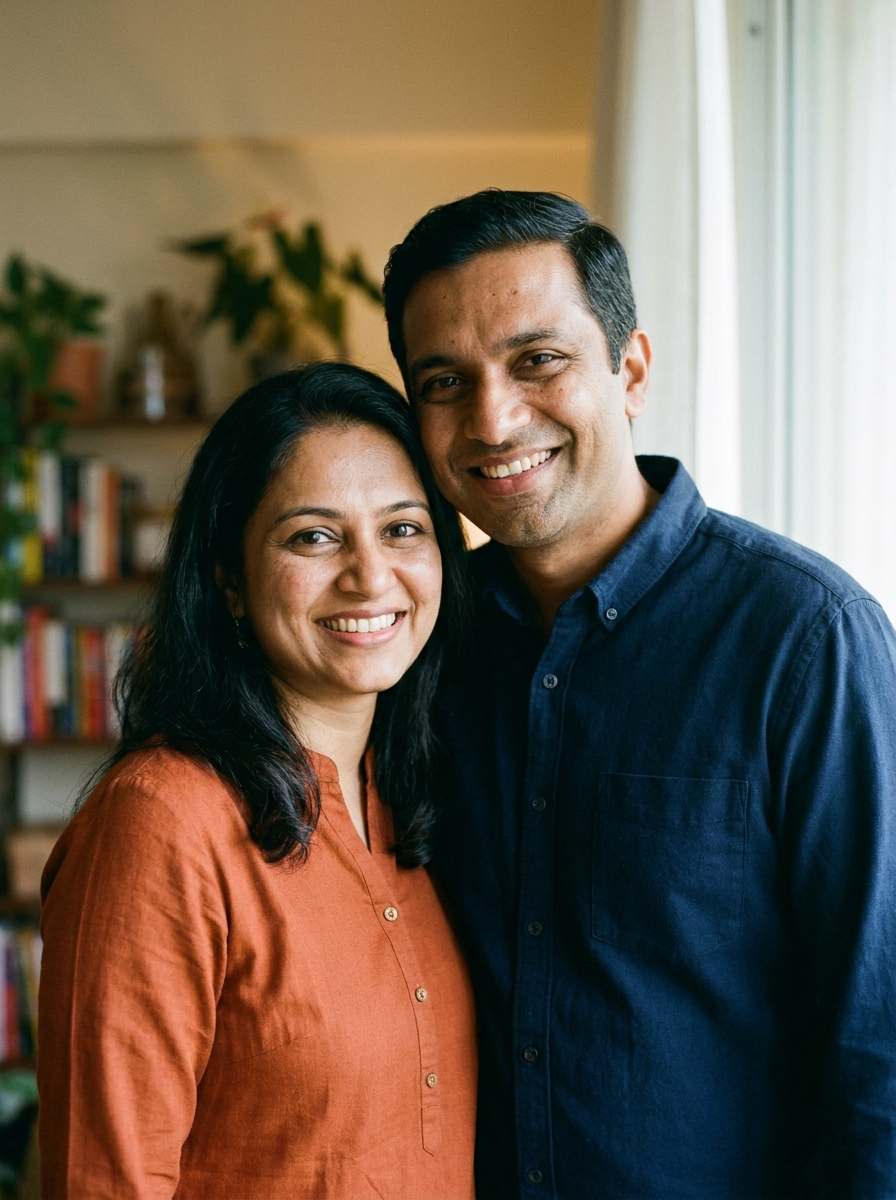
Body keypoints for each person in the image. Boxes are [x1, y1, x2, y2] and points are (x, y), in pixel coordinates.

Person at [382, 189, 896, 1199]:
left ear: (629, 370)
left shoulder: (804, 638)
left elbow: (878, 1045)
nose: (492, 418)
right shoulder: (419, 648)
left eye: (537, 361)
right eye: (445, 379)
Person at [38, 363, 477, 1199]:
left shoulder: (417, 795)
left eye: (403, 529)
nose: (370, 576)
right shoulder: (159, 822)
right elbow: (102, 1179)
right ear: (229, 583)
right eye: (313, 536)